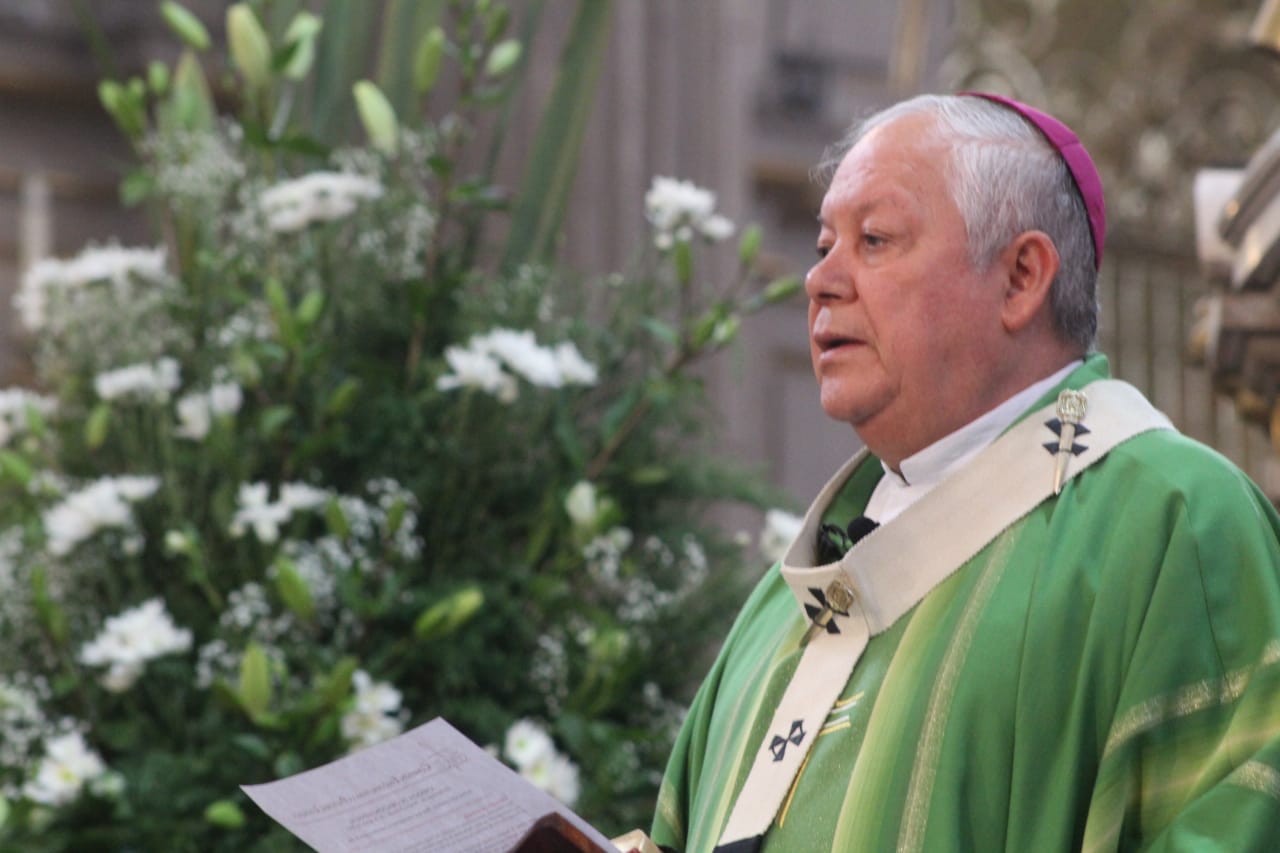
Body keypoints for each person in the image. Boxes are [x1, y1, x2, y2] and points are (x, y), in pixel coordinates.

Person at [648, 92, 1280, 852]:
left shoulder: (1177, 522)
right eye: (823, 245)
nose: (820, 280)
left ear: (1020, 277)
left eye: (874, 239)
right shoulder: (786, 608)